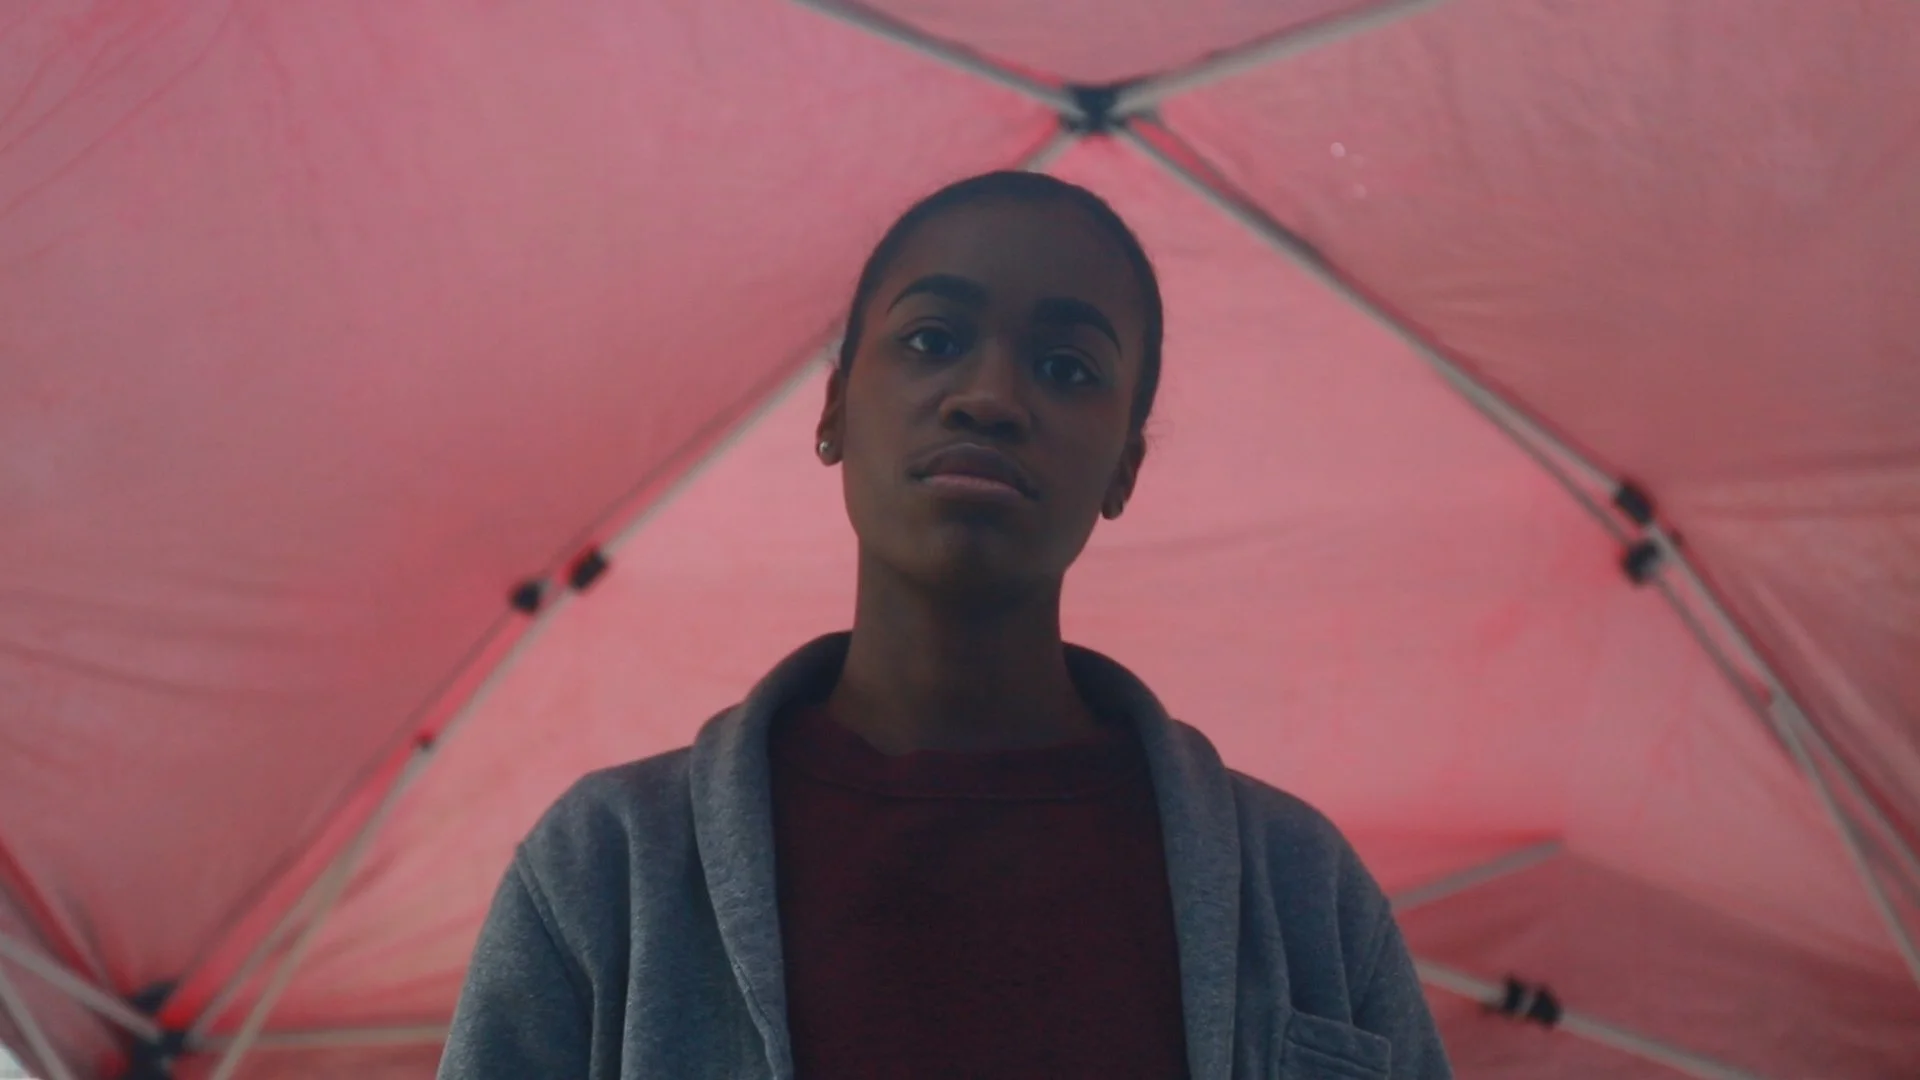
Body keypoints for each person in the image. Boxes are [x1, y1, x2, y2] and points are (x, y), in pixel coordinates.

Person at [438, 172, 1451, 1079]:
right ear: (835, 408)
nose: (990, 397)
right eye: (933, 340)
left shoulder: (1301, 891)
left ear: (1124, 471)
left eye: (1068, 368)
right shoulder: (606, 872)